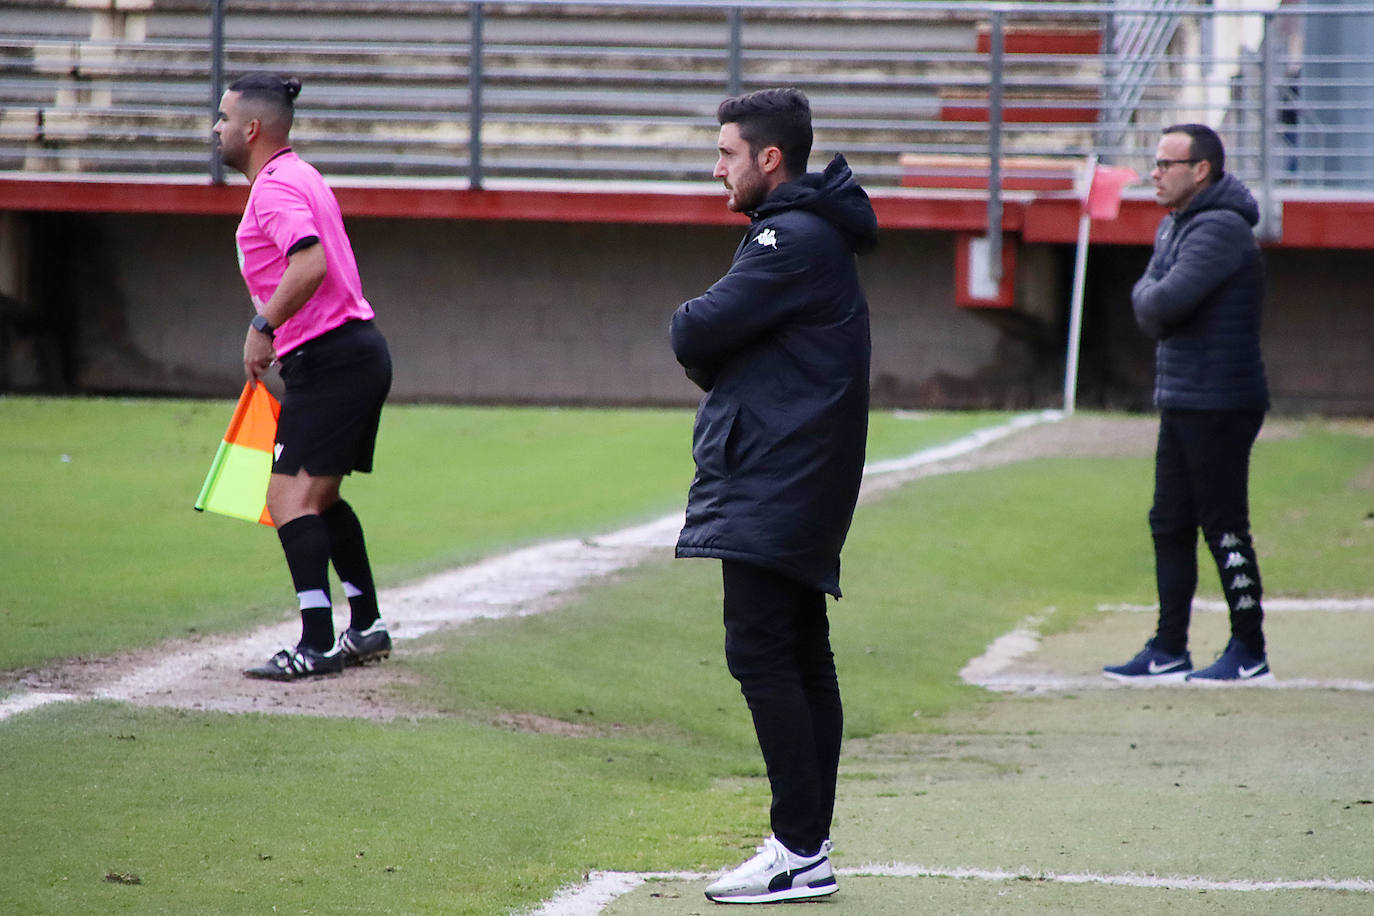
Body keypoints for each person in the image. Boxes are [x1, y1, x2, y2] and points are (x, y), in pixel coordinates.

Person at [669, 88, 877, 904]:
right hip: (800, 472)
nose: (715, 167)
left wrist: (713, 349)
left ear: (769, 159)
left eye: (726, 153)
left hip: (778, 474)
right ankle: (808, 844)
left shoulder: (786, 236)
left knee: (760, 651)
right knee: (798, 650)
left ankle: (796, 849)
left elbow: (693, 330)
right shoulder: (808, 234)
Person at [213, 73, 393, 680]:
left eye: (223, 118)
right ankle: (364, 626)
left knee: (286, 496)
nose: (216, 129)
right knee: (320, 496)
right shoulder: (302, 173)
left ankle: (316, 643)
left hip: (333, 357)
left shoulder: (273, 188)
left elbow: (309, 262)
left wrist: (262, 325)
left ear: (252, 128)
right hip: (351, 354)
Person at [1104, 123, 1272, 685]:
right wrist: (1151, 296)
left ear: (1200, 170)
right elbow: (1149, 302)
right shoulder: (1175, 225)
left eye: (1165, 164)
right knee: (1169, 521)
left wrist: (1151, 296)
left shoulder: (1220, 230)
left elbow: (1163, 303)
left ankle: (1249, 650)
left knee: (1224, 524)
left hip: (1221, 400)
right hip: (1184, 396)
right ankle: (1169, 647)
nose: (1154, 172)